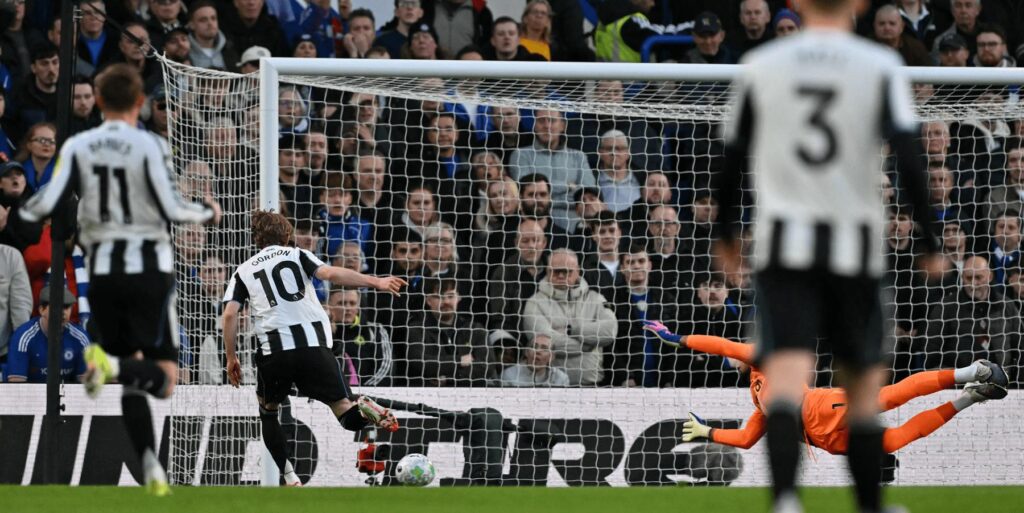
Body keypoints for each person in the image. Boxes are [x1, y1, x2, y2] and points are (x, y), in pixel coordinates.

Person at [714, 1, 941, 511]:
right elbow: (909, 158)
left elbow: (730, 160)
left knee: (785, 382)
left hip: (783, 249)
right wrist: (929, 240)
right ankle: (870, 505)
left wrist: (725, 234)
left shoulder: (762, 65)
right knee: (860, 388)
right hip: (853, 248)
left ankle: (786, 501)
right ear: (859, 5)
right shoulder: (879, 64)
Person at [18, 64, 224, 496]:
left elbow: (44, 203)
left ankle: (151, 468)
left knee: (131, 375)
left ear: (97, 99)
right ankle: (111, 368)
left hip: (103, 274)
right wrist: (208, 211)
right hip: (149, 271)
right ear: (139, 102)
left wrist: (21, 215)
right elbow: (173, 206)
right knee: (165, 379)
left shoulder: (79, 145)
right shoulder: (151, 144)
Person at [222, 210, 405, 486]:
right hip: (314, 348)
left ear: (256, 240)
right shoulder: (298, 255)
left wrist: (231, 357)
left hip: (275, 352)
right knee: (345, 412)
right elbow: (330, 273)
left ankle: (290, 477)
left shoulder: (244, 270)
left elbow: (229, 315)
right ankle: (363, 407)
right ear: (287, 235)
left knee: (268, 411)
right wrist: (375, 281)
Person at [643, 322, 1009, 455]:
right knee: (894, 442)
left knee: (887, 398)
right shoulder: (759, 404)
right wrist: (707, 432)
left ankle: (972, 370)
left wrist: (677, 339)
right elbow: (746, 439)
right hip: (827, 440)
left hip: (818, 407)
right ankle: (970, 397)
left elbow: (721, 345)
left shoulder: (762, 359)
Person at [521, 248, 617, 386]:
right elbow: (545, 345)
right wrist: (590, 343)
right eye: (556, 271)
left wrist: (571, 331)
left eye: (567, 271)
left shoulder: (595, 299)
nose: (561, 276)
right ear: (548, 271)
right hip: (550, 387)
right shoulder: (534, 303)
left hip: (592, 385)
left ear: (578, 271)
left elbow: (609, 331)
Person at [4, 286, 90, 383]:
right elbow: (17, 387)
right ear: (41, 310)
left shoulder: (81, 339)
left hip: (68, 392)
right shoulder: (22, 338)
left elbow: (87, 386)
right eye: (56, 306)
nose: (62, 312)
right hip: (30, 392)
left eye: (66, 307)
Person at [500, 333, 570, 387]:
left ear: (551, 357)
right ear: (526, 352)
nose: (538, 351)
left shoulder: (561, 379)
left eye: (544, 348)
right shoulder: (509, 375)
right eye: (534, 347)